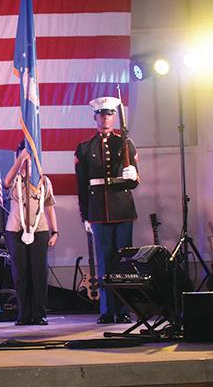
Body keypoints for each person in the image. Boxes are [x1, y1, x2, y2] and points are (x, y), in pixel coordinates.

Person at [74, 96, 140, 324]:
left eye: (110, 114)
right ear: (95, 117)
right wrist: (85, 216)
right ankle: (107, 310)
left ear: (114, 117)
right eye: (101, 114)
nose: (105, 118)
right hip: (98, 211)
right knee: (104, 261)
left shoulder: (125, 144)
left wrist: (133, 176)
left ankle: (124, 309)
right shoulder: (85, 148)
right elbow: (82, 185)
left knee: (124, 260)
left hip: (122, 208)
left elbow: (133, 182)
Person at [3, 142, 58, 325]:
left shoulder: (43, 180)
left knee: (39, 273)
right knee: (21, 274)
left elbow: (49, 206)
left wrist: (55, 231)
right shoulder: (15, 179)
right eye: (23, 156)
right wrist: (20, 159)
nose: (27, 161)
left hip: (39, 230)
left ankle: (39, 313)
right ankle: (24, 314)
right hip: (16, 230)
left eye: (30, 157)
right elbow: (6, 183)